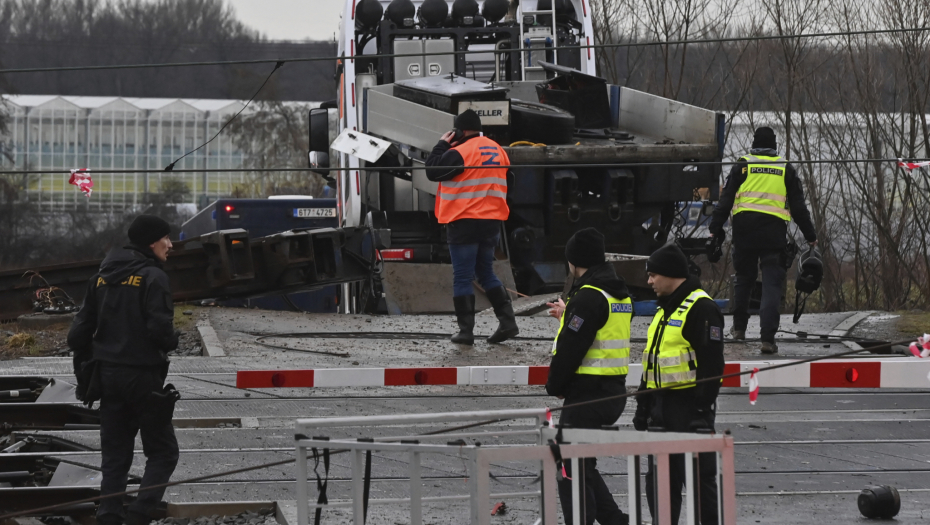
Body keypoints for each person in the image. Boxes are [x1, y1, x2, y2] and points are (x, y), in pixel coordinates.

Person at [68, 215, 180, 525]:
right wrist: (173, 339)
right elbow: (160, 332)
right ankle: (139, 516)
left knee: (115, 458)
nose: (170, 245)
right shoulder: (153, 277)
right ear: (151, 243)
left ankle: (108, 517)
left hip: (107, 378)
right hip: (144, 378)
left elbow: (76, 336)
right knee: (163, 452)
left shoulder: (101, 277)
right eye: (166, 239)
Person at [633, 244, 725, 525]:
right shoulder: (664, 312)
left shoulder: (702, 308)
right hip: (661, 410)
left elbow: (712, 366)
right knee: (660, 485)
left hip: (689, 412)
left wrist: (701, 411)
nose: (649, 281)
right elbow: (652, 364)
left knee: (700, 485)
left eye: (652, 275)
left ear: (671, 274)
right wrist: (643, 406)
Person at [545, 228, 631, 525]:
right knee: (582, 463)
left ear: (575, 261)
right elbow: (597, 332)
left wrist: (555, 386)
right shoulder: (616, 293)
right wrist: (567, 315)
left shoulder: (589, 297)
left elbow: (572, 347)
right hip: (612, 390)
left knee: (567, 464)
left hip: (588, 393)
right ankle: (616, 521)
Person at [708, 126, 817, 354]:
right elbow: (798, 207)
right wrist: (810, 236)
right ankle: (767, 339)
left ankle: (739, 329)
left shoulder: (743, 165)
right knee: (771, 286)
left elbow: (725, 200)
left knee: (743, 280)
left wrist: (714, 228)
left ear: (754, 144)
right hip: (773, 235)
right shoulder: (785, 168)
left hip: (744, 233)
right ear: (775, 146)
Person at [426, 109, 518, 345]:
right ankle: (508, 322)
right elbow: (511, 180)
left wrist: (440, 145)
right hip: (491, 223)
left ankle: (466, 331)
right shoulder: (498, 150)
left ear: (460, 131)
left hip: (464, 221)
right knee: (485, 272)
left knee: (463, 276)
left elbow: (432, 170)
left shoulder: (460, 152)